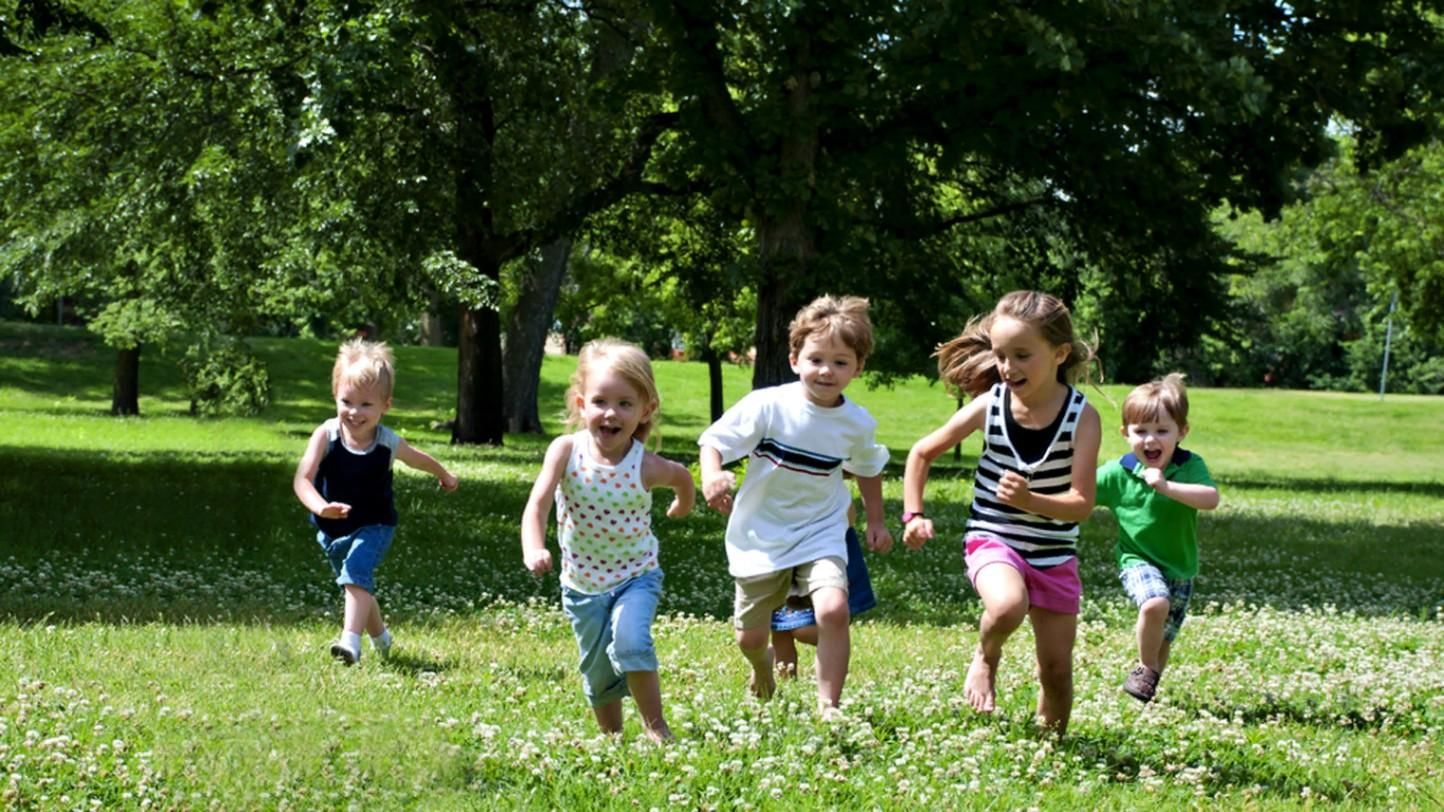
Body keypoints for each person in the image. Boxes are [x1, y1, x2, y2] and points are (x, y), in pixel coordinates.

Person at [901, 290, 1101, 734]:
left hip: (1054, 553)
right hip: (994, 536)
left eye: (1022, 356)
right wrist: (913, 516)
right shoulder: (990, 405)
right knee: (1009, 605)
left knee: (1056, 672)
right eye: (1001, 355)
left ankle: (1049, 749)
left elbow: (1081, 504)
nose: (1007, 368)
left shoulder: (1082, 418)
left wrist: (1031, 500)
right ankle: (986, 657)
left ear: (1059, 353)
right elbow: (921, 454)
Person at [699, 295, 893, 718]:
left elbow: (867, 468)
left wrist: (875, 520)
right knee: (749, 639)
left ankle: (830, 706)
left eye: (841, 362)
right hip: (761, 535)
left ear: (858, 368)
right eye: (816, 358)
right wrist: (712, 475)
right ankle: (762, 664)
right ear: (794, 359)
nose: (827, 371)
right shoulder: (768, 406)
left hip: (821, 530)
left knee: (833, 609)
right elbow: (714, 441)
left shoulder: (856, 423)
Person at [520, 338, 695, 742]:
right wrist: (534, 546)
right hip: (581, 585)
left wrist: (683, 505)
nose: (610, 413)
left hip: (636, 577)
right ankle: (613, 740)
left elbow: (682, 477)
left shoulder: (646, 465)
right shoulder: (565, 451)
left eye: (625, 404)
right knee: (597, 671)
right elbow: (537, 504)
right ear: (581, 404)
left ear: (645, 410)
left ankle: (656, 729)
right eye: (600, 401)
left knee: (631, 642)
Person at [293, 338, 459, 665]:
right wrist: (319, 507)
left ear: (386, 405)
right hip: (332, 527)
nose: (355, 412)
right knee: (356, 584)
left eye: (366, 405)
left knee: (356, 571)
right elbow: (303, 479)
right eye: (347, 401)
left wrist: (444, 475)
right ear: (335, 397)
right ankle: (381, 637)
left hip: (375, 524)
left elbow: (417, 459)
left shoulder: (386, 442)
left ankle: (349, 643)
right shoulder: (326, 435)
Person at [1095, 373, 1220, 703]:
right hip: (1137, 560)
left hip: (1181, 568)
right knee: (1154, 603)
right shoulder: (1116, 473)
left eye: (1162, 431)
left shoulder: (1189, 465)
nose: (1151, 440)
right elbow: (1079, 493)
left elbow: (1210, 499)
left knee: (1164, 641)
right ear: (1125, 433)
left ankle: (1147, 689)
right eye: (1140, 431)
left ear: (1182, 432)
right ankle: (1144, 668)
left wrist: (1166, 486)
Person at [770, 502, 877, 679]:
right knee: (779, 626)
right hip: (778, 538)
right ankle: (784, 679)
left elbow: (848, 511)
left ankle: (835, 645)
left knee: (803, 629)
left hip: (820, 541)